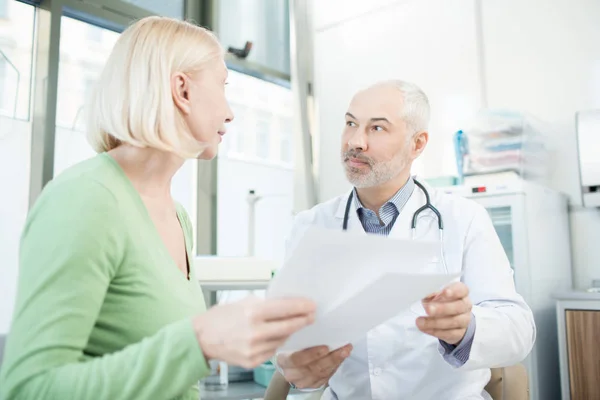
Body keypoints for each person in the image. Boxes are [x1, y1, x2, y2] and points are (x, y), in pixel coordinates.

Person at [0, 17, 315, 400]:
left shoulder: (177, 216)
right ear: (182, 90)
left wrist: (283, 375)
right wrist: (200, 342)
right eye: (223, 85)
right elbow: (28, 390)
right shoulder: (86, 200)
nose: (230, 113)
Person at [275, 80, 536, 399]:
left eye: (377, 128)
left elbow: (518, 329)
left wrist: (465, 327)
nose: (355, 141)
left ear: (417, 144)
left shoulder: (464, 218)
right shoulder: (309, 226)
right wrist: (295, 361)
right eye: (350, 124)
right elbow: (282, 339)